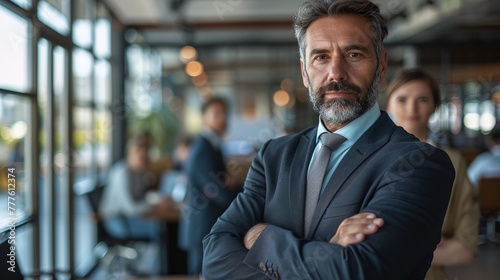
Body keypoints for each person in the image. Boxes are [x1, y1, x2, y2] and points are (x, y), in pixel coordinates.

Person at [202, 1, 455, 279]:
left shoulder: (419, 163)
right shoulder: (274, 156)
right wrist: (326, 253)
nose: (336, 72)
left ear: (381, 67)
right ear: (304, 72)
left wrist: (259, 238)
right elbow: (215, 260)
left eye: (354, 54)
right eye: (321, 57)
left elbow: (359, 271)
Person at [385, 68, 480, 280]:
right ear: (388, 104)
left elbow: (466, 247)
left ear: (435, 105)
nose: (412, 108)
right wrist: (426, 248)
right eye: (402, 99)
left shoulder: (452, 163)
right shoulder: (369, 158)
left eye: (422, 99)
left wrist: (388, 251)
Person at [99, 132, 170, 275]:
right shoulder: (122, 173)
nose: (143, 160)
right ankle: (155, 271)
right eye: (139, 156)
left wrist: (153, 203)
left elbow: (142, 198)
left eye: (145, 157)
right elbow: (131, 208)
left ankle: (162, 269)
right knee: (157, 227)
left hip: (130, 217)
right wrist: (154, 206)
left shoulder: (140, 172)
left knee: (162, 226)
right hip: (117, 220)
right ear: (130, 155)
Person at [183, 97, 240, 275]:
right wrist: (231, 186)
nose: (223, 118)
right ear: (204, 119)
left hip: (207, 226)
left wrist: (230, 184)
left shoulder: (212, 146)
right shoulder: (203, 150)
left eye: (224, 113)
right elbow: (220, 193)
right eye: (216, 114)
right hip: (203, 227)